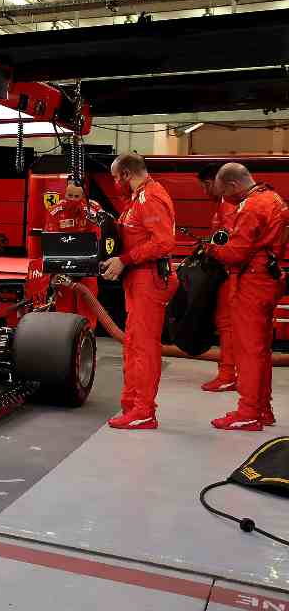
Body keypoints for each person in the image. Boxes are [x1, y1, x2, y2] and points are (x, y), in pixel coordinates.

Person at [99, 152, 177, 430]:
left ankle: (144, 411)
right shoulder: (137, 199)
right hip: (139, 280)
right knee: (133, 345)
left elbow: (164, 243)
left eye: (114, 178)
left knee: (143, 348)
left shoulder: (150, 197)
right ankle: (133, 405)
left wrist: (124, 260)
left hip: (149, 279)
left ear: (125, 175)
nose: (114, 184)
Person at [205, 163, 286, 430]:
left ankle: (249, 411)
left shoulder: (250, 207)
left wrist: (213, 249)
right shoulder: (274, 198)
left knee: (249, 351)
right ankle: (262, 408)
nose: (225, 199)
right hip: (269, 278)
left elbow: (236, 253)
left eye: (224, 193)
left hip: (251, 281)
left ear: (232, 185)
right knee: (261, 350)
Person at [197, 164, 239, 392]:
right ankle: (230, 372)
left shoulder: (229, 206)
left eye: (205, 186)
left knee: (227, 325)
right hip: (228, 272)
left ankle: (228, 374)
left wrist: (212, 250)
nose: (205, 192)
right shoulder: (226, 206)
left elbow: (231, 242)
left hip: (230, 274)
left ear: (214, 181)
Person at [44, 177, 103, 327]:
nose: (73, 199)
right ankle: (64, 339)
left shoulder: (93, 209)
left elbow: (99, 235)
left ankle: (87, 338)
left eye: (77, 196)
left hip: (88, 265)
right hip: (64, 266)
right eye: (70, 196)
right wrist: (55, 270)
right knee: (64, 308)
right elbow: (51, 241)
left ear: (83, 196)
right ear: (65, 194)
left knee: (88, 305)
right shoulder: (56, 211)